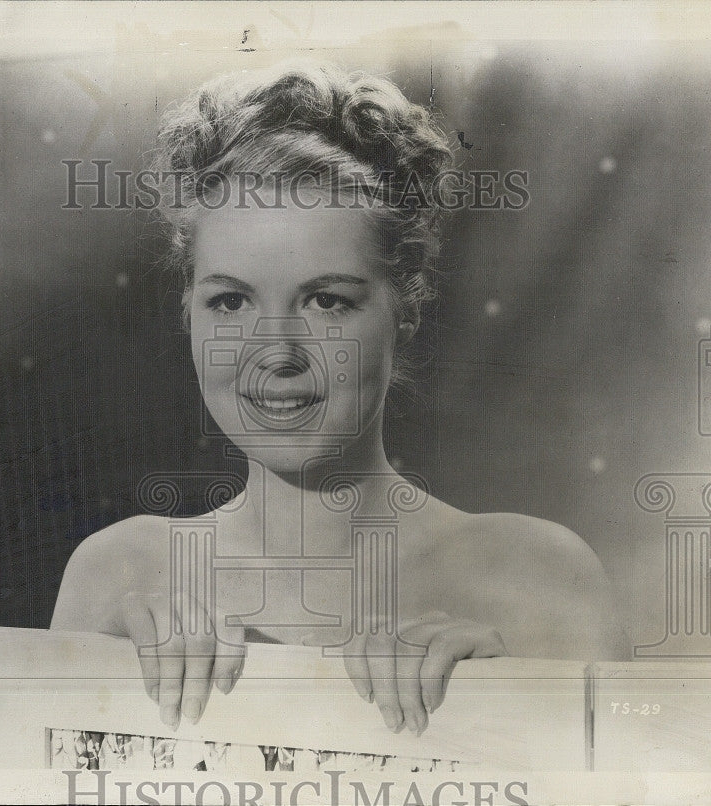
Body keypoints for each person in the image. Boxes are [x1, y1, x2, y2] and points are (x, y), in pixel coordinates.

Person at [52, 60, 628, 739]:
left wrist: (510, 712)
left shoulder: (538, 579)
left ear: (405, 310)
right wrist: (94, 703)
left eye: (327, 301)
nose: (278, 353)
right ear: (190, 312)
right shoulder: (116, 574)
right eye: (231, 301)